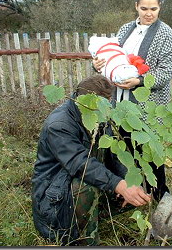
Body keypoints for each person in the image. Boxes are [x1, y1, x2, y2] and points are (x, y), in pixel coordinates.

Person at [32, 75, 151, 246]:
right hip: (54, 199)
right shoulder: (58, 124)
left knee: (136, 181)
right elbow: (80, 163)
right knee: (85, 187)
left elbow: (113, 153)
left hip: (78, 183)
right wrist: (119, 185)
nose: (107, 107)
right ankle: (84, 241)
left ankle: (91, 216)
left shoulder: (99, 113)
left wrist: (127, 180)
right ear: (84, 102)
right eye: (102, 103)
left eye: (108, 102)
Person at [92, 0, 172, 200]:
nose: (149, 13)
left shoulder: (166, 34)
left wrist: (139, 82)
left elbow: (166, 71)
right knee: (123, 151)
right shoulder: (125, 30)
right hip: (119, 104)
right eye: (144, 8)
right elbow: (111, 56)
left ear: (160, 8)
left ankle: (160, 197)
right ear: (136, 7)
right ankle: (131, 196)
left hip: (148, 106)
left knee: (150, 155)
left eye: (154, 8)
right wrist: (98, 65)